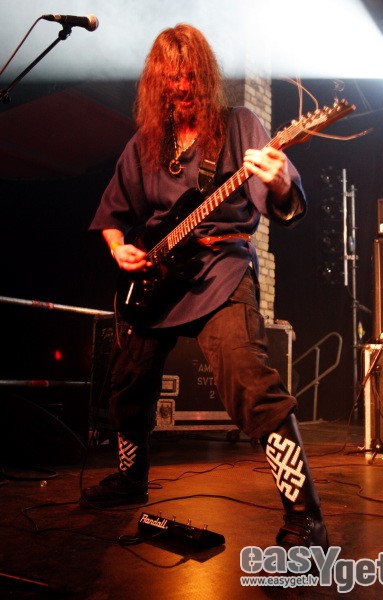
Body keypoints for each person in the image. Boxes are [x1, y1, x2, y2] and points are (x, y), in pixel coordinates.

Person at [82, 23, 328, 553]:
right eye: (171, 78)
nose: (182, 87)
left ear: (206, 75)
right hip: (156, 281)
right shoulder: (146, 145)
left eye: (190, 76)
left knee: (248, 378)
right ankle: (130, 476)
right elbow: (111, 216)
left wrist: (279, 177)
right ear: (157, 83)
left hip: (221, 269)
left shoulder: (239, 125)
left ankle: (304, 515)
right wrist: (118, 248)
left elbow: (287, 203)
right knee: (128, 379)